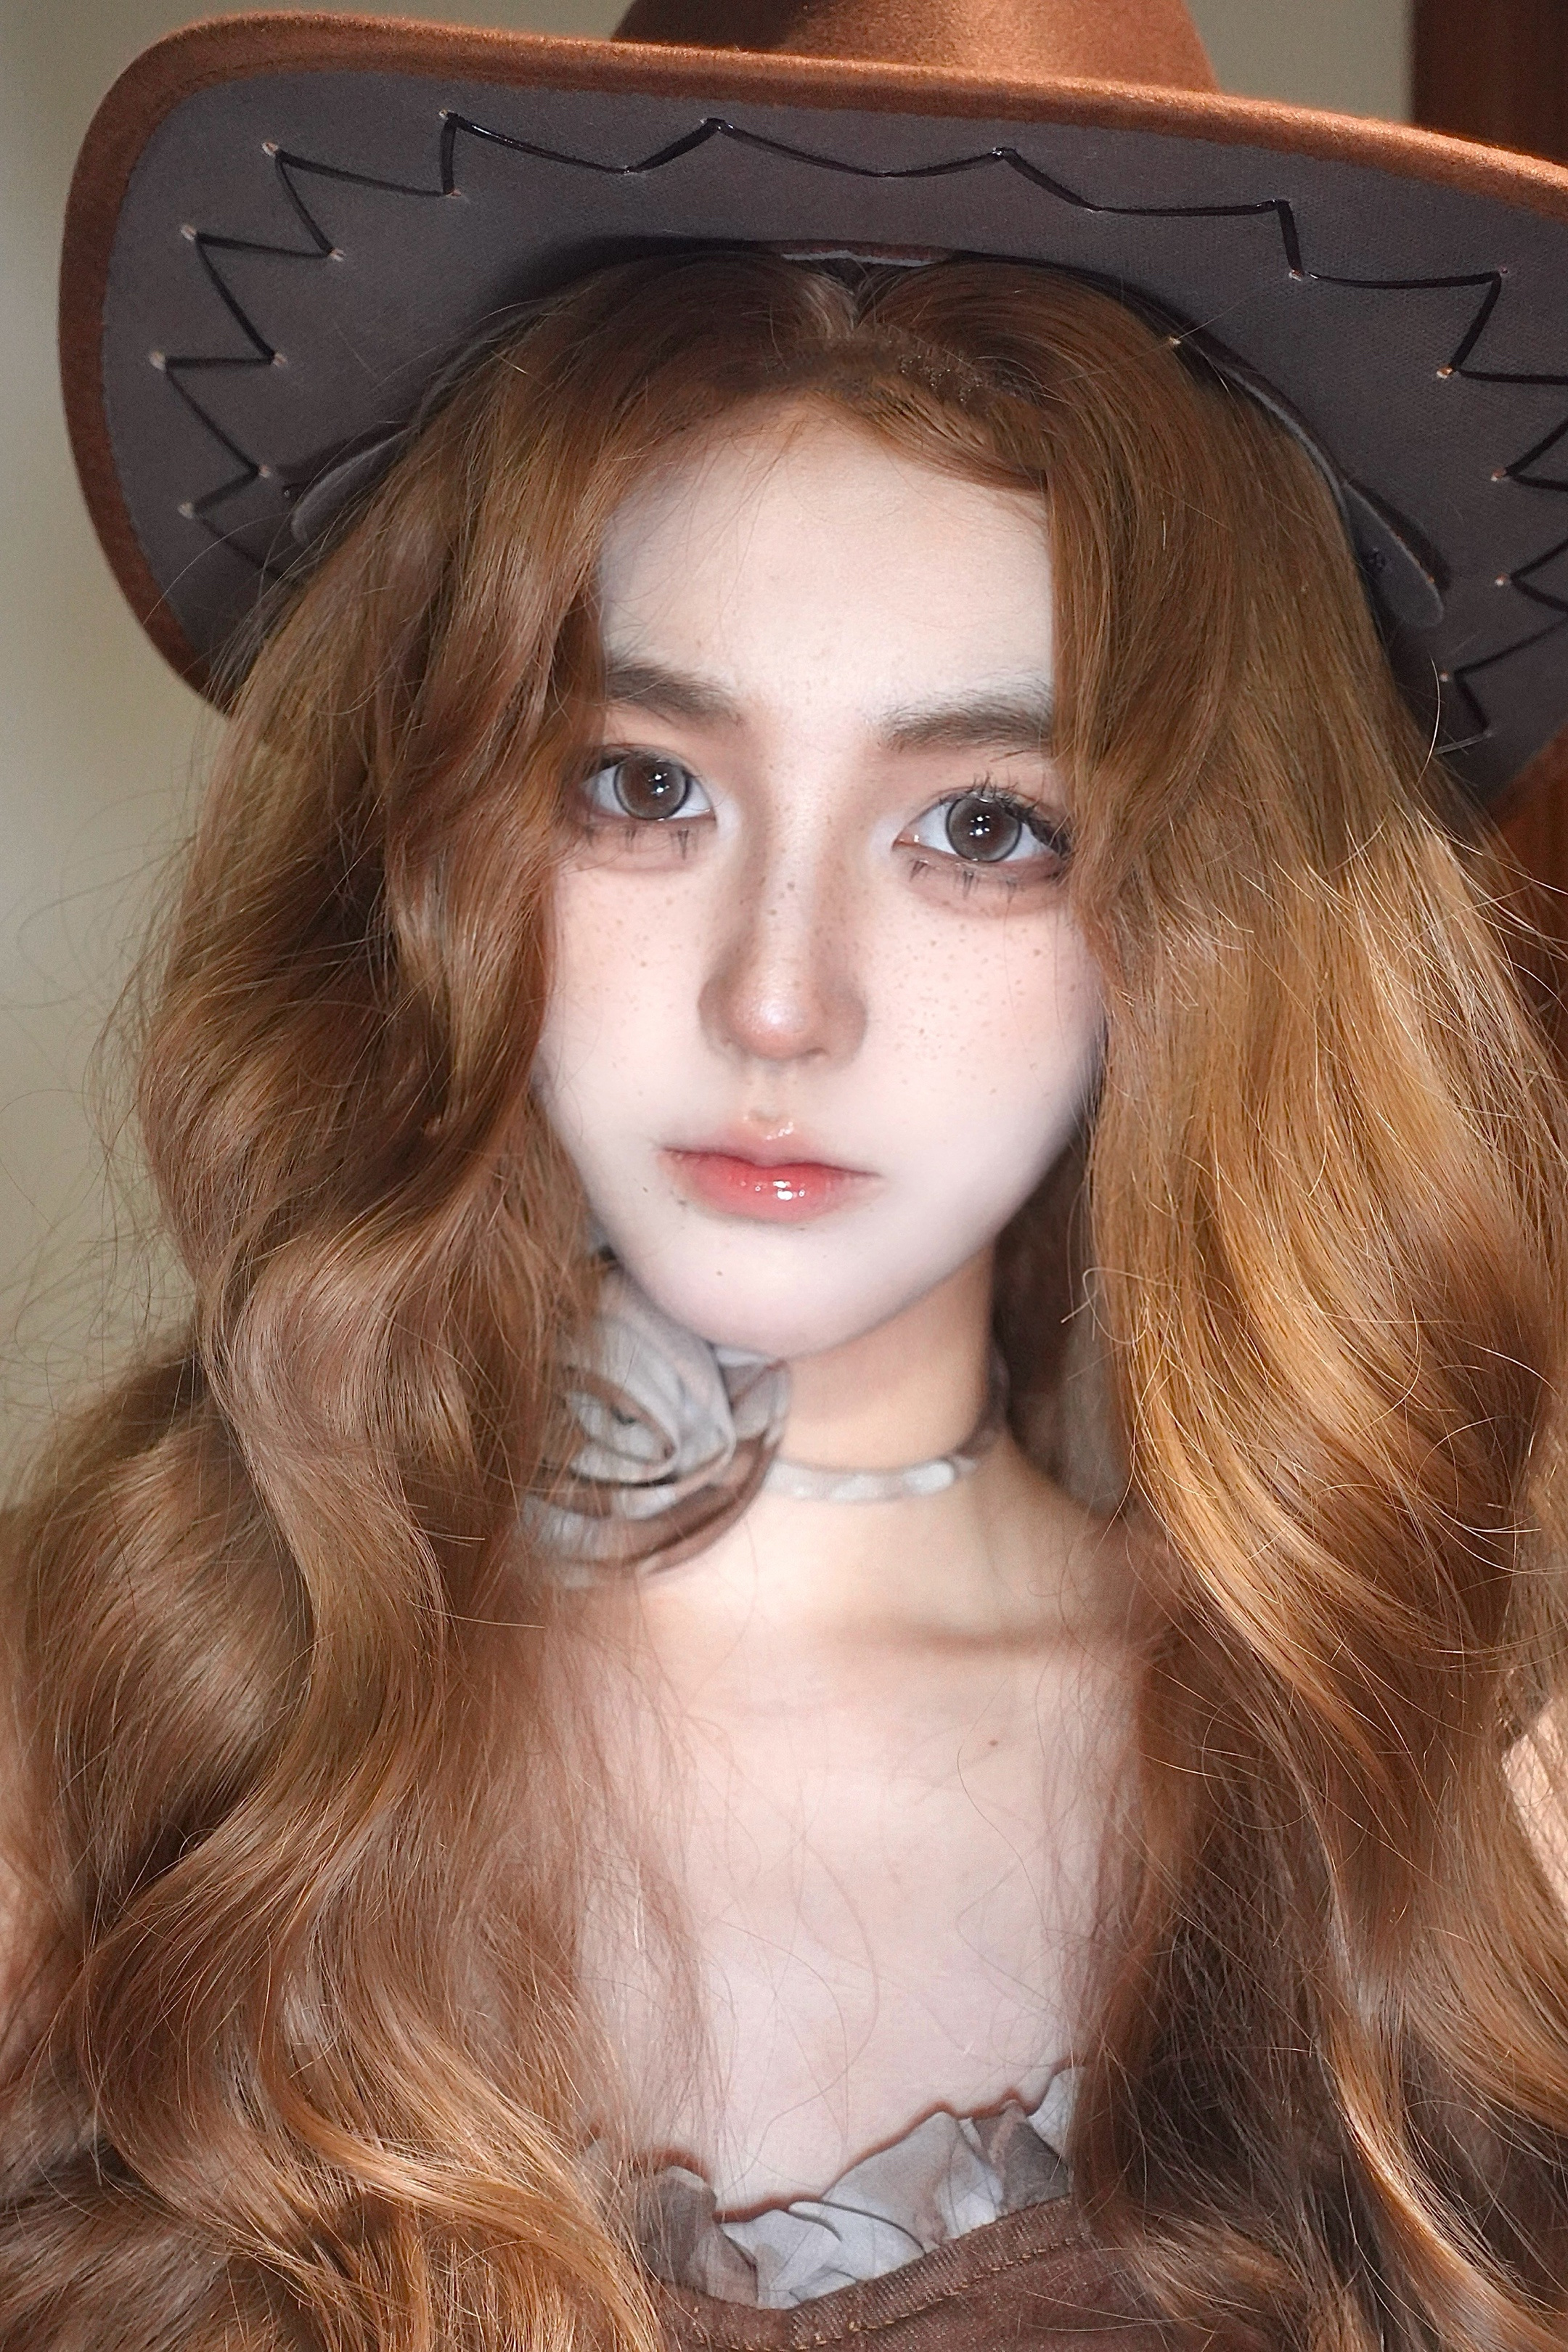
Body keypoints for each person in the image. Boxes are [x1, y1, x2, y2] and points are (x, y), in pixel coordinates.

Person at [9, 3, 1568, 2348]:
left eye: (985, 828)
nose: (778, 1001)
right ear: (441, 832)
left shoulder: (1431, 1827)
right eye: (645, 785)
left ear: (1199, 923)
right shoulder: (109, 1722)